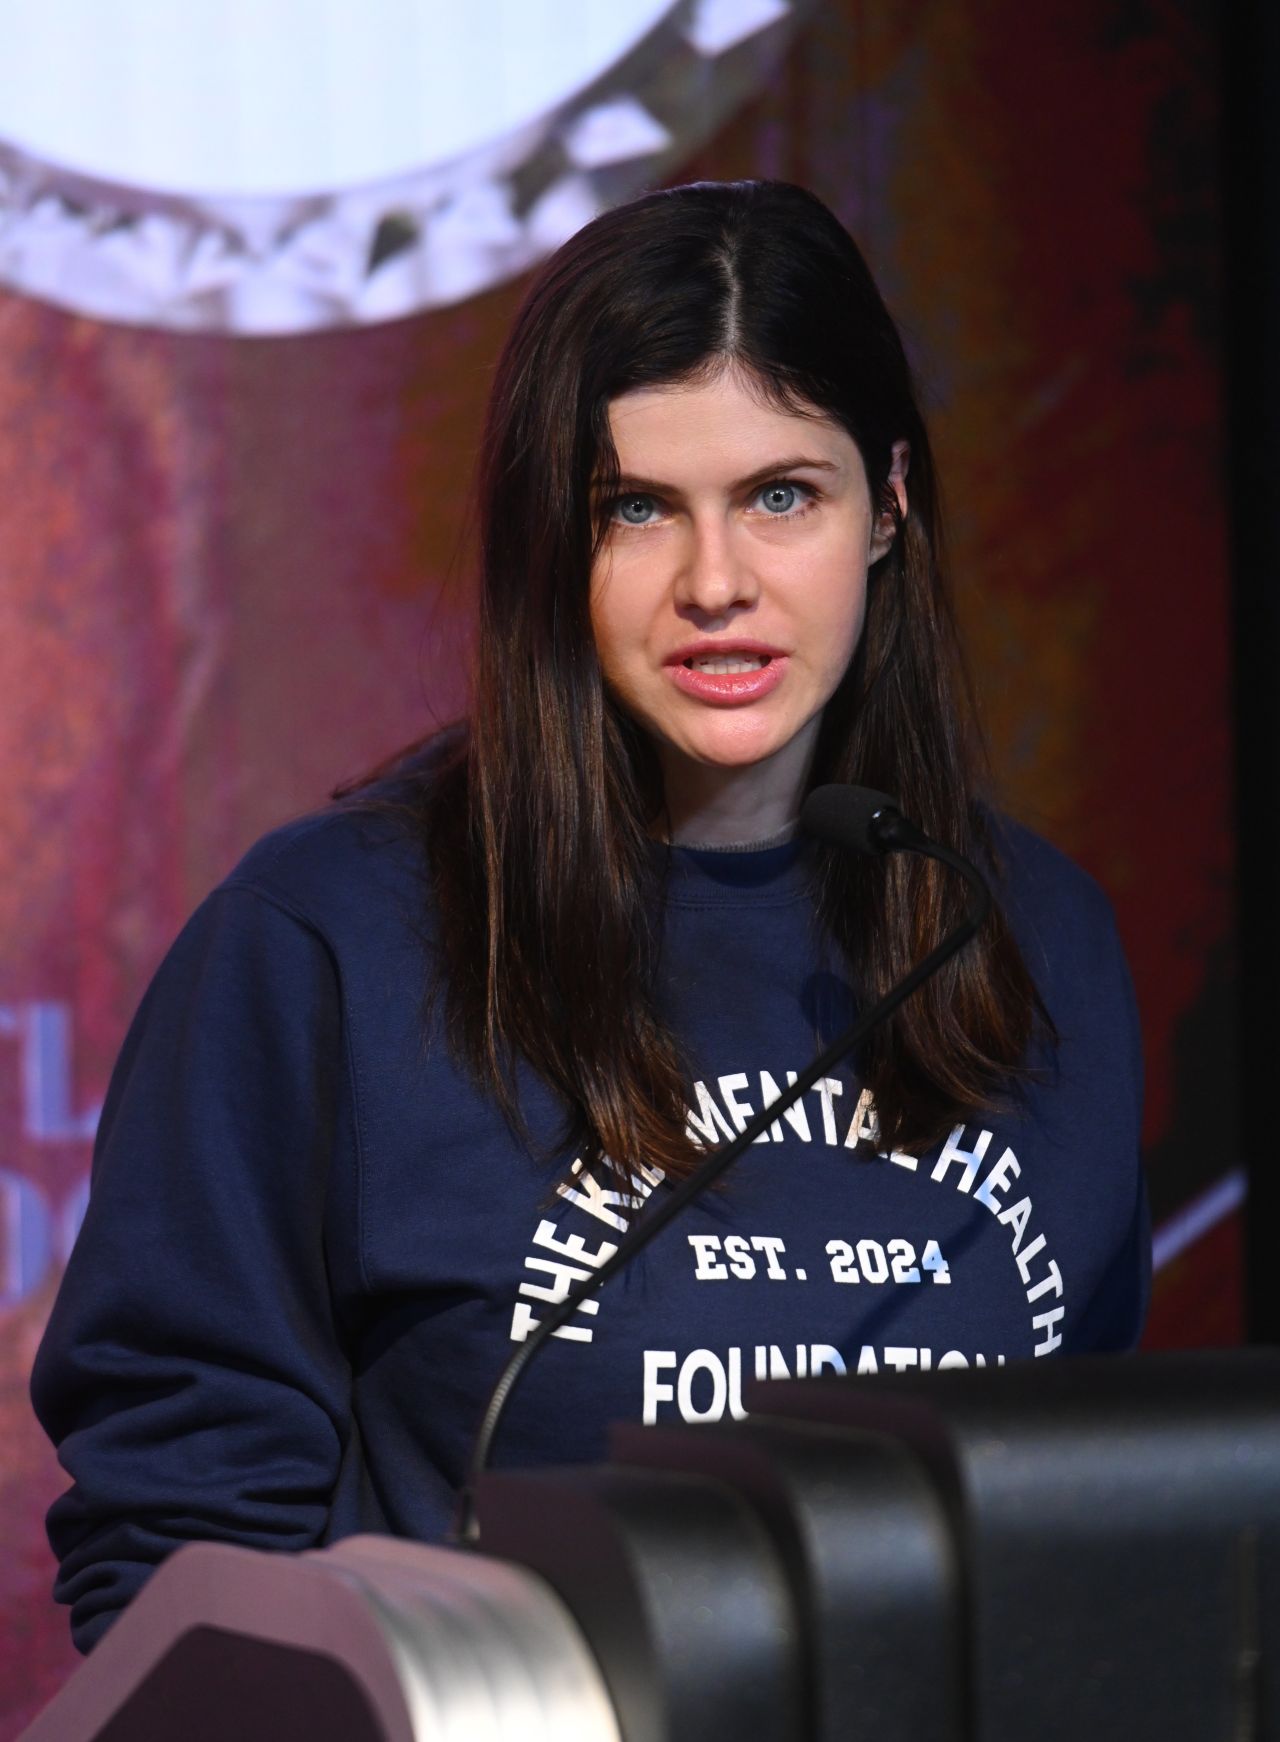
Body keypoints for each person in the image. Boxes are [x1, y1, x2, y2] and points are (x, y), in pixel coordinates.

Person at [31, 179, 1150, 1655]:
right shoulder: (323, 948)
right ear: (556, 543)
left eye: (780, 495)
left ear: (885, 508)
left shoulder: (1034, 936)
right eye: (638, 508)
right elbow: (184, 1577)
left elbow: (1095, 1522)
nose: (717, 584)